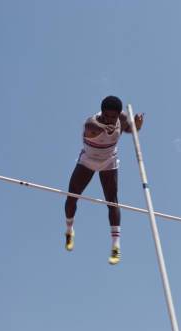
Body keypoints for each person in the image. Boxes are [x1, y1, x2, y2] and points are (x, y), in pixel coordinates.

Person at [64, 96, 144, 264]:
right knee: (72, 197)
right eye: (106, 116)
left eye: (112, 117)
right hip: (88, 161)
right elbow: (99, 130)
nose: (109, 120)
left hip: (109, 161)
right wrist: (105, 127)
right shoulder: (91, 124)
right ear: (101, 113)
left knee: (113, 202)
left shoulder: (120, 118)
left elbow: (130, 129)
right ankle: (69, 230)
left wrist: (137, 125)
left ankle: (116, 246)